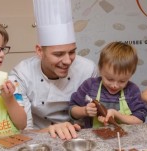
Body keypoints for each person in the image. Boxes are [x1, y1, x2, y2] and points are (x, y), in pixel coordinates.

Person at [10, 0, 98, 140]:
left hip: (80, 136)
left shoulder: (87, 69)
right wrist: (50, 130)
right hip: (40, 137)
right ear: (39, 51)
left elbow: (92, 118)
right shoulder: (22, 74)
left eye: (72, 52)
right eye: (58, 54)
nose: (68, 61)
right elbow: (23, 131)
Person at [69, 42, 147, 128]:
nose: (115, 85)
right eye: (110, 79)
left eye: (122, 81)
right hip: (94, 138)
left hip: (124, 138)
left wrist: (116, 114)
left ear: (131, 75)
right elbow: (72, 110)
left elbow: (139, 120)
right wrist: (84, 111)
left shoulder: (132, 91)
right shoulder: (90, 86)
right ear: (100, 69)